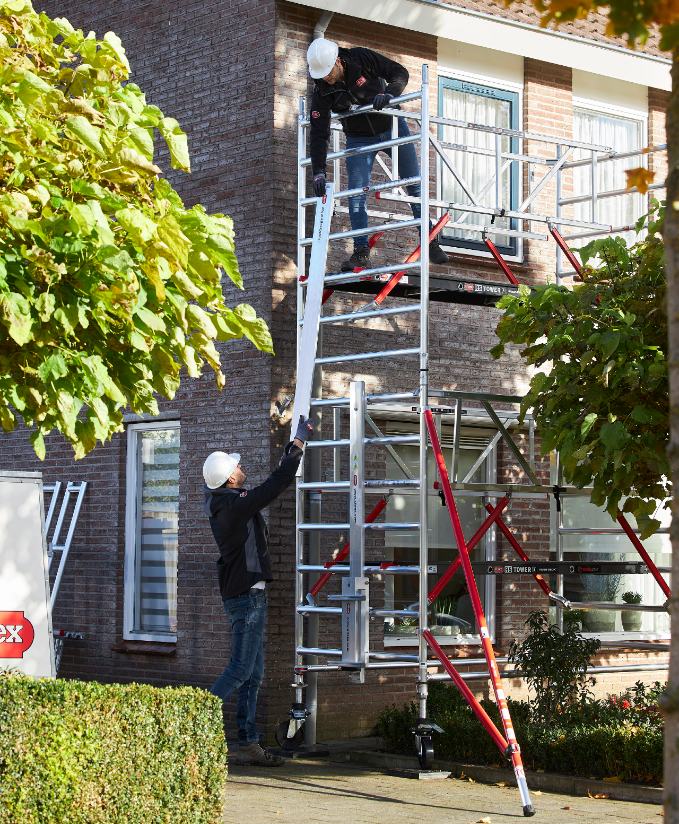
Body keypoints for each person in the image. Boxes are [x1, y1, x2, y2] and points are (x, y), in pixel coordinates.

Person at [203, 415, 313, 766]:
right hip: (248, 597)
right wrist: (296, 446)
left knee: (253, 675)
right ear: (230, 478)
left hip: (250, 595)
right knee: (239, 669)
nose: (241, 466)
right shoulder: (233, 506)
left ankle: (248, 741)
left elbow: (266, 487)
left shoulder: (228, 502)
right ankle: (190, 719)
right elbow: (274, 485)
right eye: (237, 465)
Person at [306, 38, 449, 273]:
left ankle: (430, 240)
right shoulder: (322, 90)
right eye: (321, 75)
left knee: (413, 183)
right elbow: (319, 134)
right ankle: (360, 253)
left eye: (329, 72)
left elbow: (399, 72)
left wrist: (390, 94)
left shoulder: (362, 59)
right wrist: (318, 171)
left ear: (338, 61)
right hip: (359, 138)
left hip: (392, 126)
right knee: (356, 193)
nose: (327, 78)